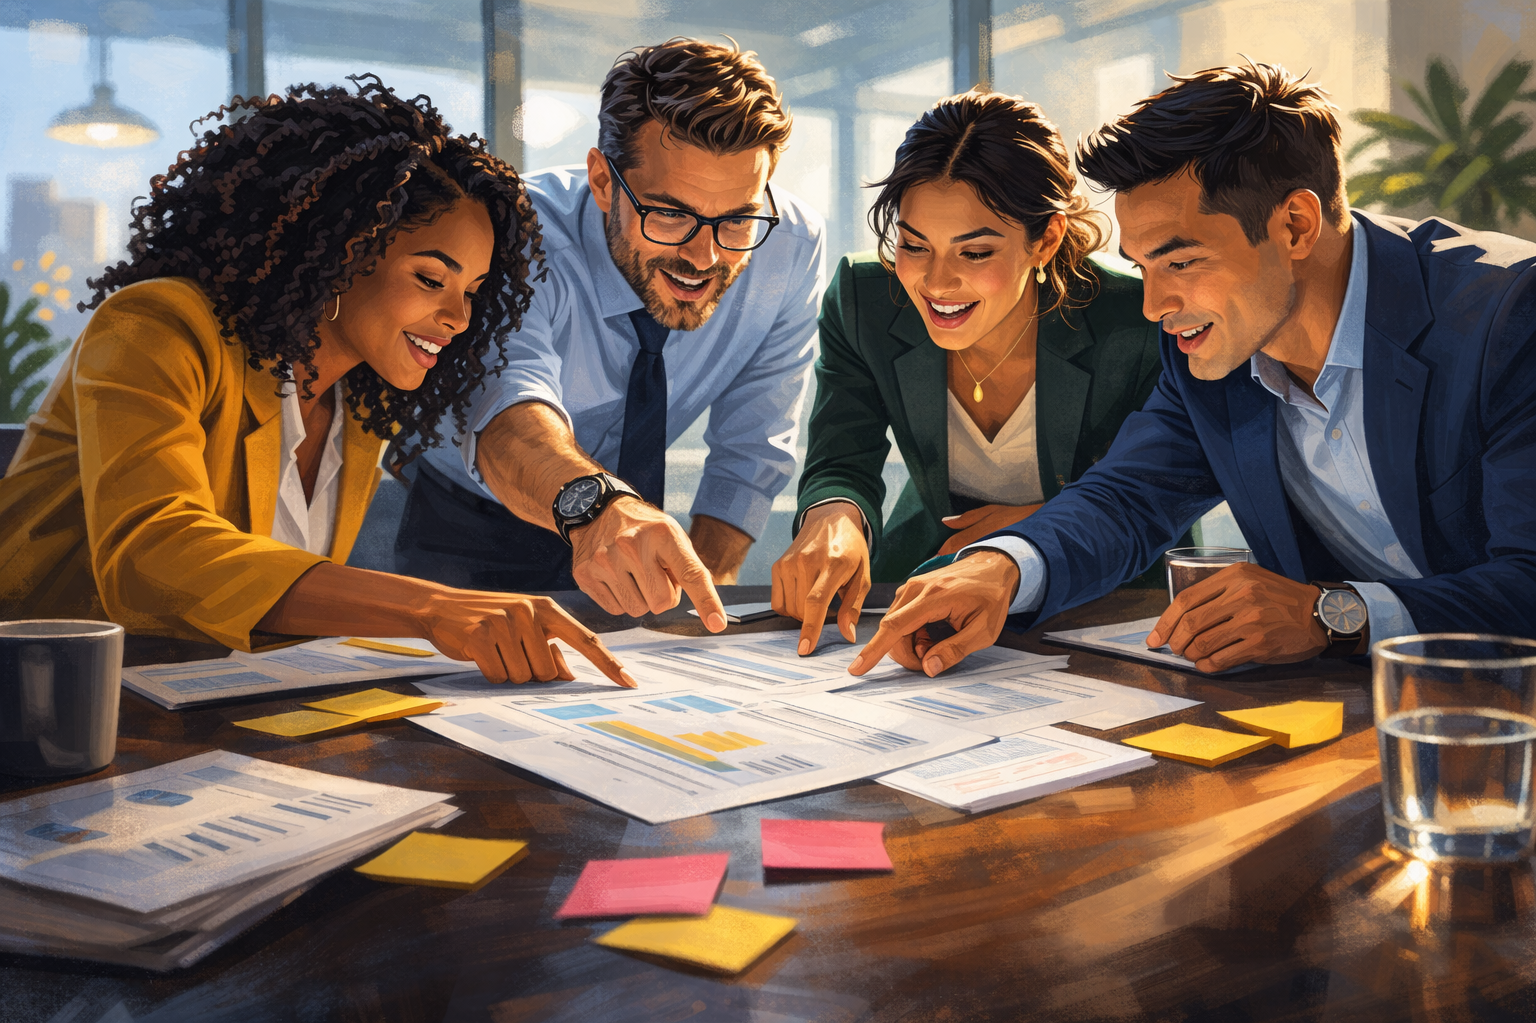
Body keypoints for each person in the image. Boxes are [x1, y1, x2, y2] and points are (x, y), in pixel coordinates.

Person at [849, 59, 1536, 680]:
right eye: (1143, 267)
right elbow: (1125, 498)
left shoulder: (1508, 319)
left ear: (1294, 226)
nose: (1154, 305)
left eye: (1180, 262)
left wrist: (1331, 615)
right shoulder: (1214, 353)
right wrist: (1000, 569)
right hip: (1361, 717)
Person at [0, 76, 633, 688]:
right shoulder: (159, 325)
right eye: (430, 279)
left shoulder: (358, 406)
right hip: (46, 706)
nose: (459, 317)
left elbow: (285, 608)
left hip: (205, 704)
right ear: (341, 253)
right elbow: (152, 557)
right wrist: (432, 607)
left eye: (471, 291)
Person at [394, 38, 824, 632]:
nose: (704, 257)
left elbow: (752, 447)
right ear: (602, 180)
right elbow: (507, 406)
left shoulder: (790, 247)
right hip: (475, 518)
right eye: (669, 214)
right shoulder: (519, 227)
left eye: (736, 220)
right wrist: (595, 508)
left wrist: (705, 596)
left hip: (634, 524)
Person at [772, 90, 1170, 655]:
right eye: (914, 244)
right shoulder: (865, 300)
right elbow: (842, 459)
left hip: (1106, 605)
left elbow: (1167, 482)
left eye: (975, 253)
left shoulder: (1139, 317)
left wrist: (1040, 529)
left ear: (1046, 239)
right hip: (928, 581)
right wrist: (834, 516)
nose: (936, 283)